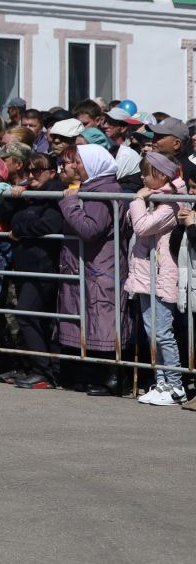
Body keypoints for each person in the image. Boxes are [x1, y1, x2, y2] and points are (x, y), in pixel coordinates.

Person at [57, 143, 121, 393]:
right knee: (87, 316)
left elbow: (90, 229)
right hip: (88, 264)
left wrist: (70, 205)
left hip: (101, 264)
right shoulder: (90, 187)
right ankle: (86, 374)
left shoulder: (104, 190)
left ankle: (110, 377)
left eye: (79, 162)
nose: (75, 167)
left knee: (103, 317)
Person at [125, 152, 186, 406]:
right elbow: (134, 222)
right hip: (145, 271)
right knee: (151, 332)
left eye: (146, 172)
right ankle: (161, 381)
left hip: (162, 273)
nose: (142, 177)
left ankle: (175, 385)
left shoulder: (172, 202)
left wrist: (138, 200)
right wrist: (141, 203)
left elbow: (142, 226)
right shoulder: (156, 198)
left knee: (163, 332)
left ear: (160, 175)